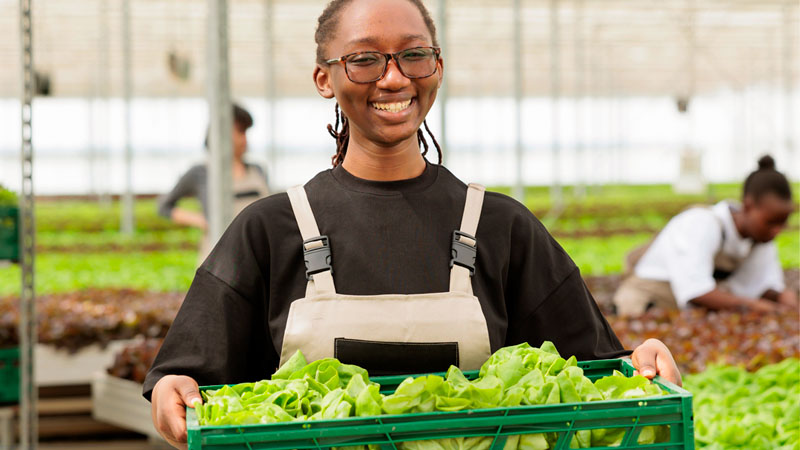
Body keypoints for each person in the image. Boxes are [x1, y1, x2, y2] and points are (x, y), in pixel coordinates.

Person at [144, 1, 681, 447]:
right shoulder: (269, 229)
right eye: (364, 60)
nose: (394, 77)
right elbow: (191, 375)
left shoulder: (500, 226)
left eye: (413, 56)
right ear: (324, 79)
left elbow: (593, 371)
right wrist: (173, 388)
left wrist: (640, 364)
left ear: (438, 68)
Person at [613, 155, 797, 316]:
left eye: (782, 222)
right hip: (646, 303)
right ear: (748, 206)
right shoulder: (701, 223)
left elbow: (759, 285)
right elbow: (696, 291)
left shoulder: (759, 239)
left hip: (683, 313)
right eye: (771, 222)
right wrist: (753, 306)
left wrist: (781, 295)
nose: (777, 230)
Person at [157, 103, 270, 263]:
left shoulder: (258, 170)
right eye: (240, 131)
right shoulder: (200, 172)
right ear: (221, 132)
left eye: (246, 132)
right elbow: (164, 207)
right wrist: (203, 221)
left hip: (257, 257)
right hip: (218, 258)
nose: (244, 139)